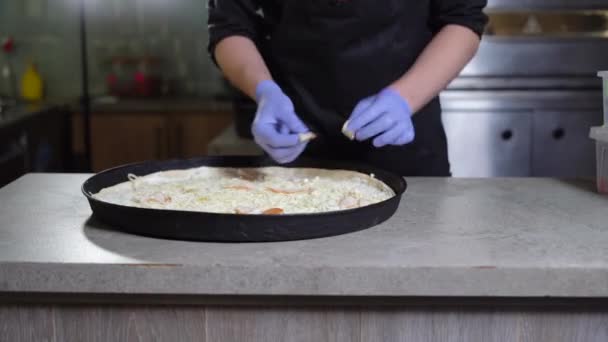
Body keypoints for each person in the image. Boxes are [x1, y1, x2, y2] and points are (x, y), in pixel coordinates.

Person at [208, 0, 488, 176]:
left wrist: (405, 98)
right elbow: (228, 25)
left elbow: (462, 19)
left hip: (408, 155)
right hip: (296, 151)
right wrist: (264, 90)